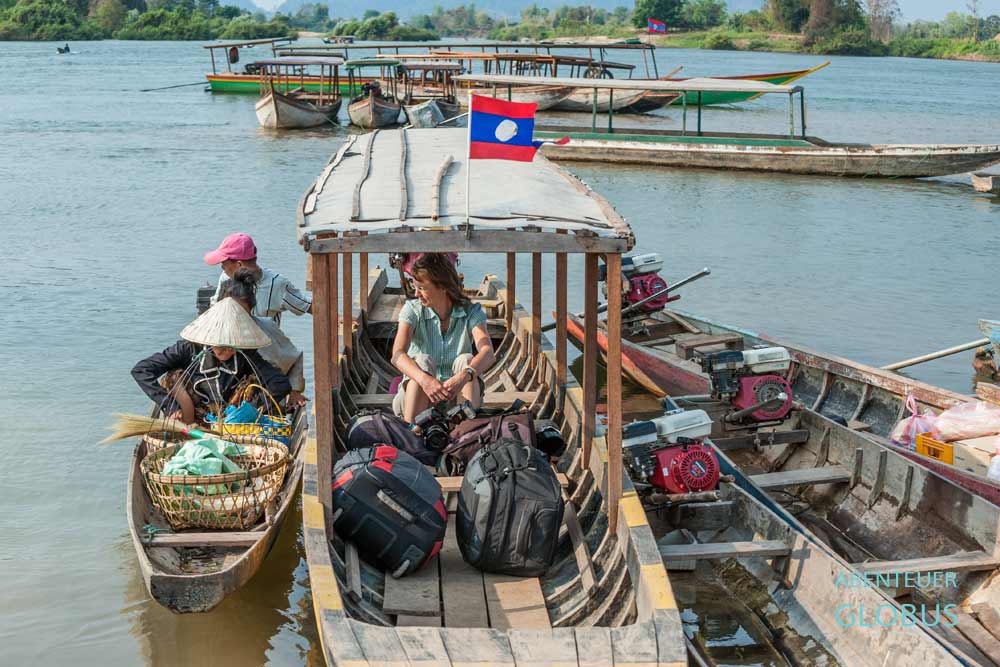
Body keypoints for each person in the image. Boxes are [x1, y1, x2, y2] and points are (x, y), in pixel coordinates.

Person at [131, 297, 291, 424]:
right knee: (173, 376)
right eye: (220, 345)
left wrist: (252, 410)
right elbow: (141, 370)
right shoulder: (187, 349)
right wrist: (170, 406)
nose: (226, 351)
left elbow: (280, 384)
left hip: (231, 420)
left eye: (231, 346)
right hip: (192, 416)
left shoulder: (245, 355)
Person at [390, 253, 495, 423]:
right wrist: (425, 380)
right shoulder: (412, 309)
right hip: (415, 400)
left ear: (443, 286)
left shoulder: (471, 311)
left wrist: (464, 376)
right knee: (422, 361)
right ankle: (412, 433)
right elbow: (397, 355)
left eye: (422, 288)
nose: (416, 294)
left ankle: (466, 431)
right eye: (414, 286)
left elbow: (488, 352)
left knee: (467, 360)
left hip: (456, 400)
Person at [221, 267, 307, 410]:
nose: (236, 315)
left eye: (241, 310)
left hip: (264, 404)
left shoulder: (266, 328)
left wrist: (295, 391)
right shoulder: (211, 333)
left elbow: (295, 359)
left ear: (251, 309)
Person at [205, 233, 311, 326]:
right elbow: (215, 310)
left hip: (266, 346)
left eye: (223, 263)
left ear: (239, 265)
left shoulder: (278, 285)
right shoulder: (226, 278)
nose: (222, 267)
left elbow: (310, 306)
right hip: (232, 347)